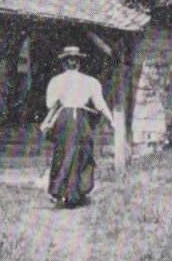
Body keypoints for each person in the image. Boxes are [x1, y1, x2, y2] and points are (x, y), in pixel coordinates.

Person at [40, 44, 115, 209]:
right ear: (78, 63)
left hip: (69, 118)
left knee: (70, 153)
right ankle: (72, 193)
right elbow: (100, 104)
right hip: (76, 118)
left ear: (64, 63)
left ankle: (67, 193)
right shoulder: (88, 81)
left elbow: (50, 104)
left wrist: (110, 118)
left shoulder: (58, 81)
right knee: (76, 153)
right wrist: (111, 119)